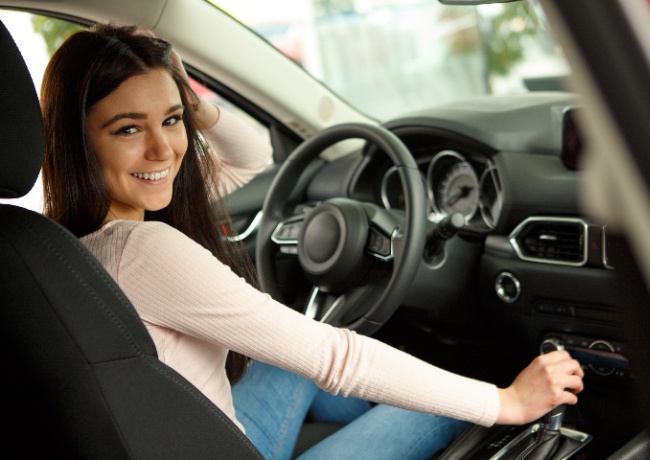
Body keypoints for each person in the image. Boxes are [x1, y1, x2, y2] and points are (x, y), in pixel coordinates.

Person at [40, 24, 584, 460]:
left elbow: (253, 159)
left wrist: (184, 98)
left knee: (282, 360)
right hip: (220, 443)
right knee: (450, 402)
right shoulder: (146, 249)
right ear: (79, 140)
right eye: (128, 129)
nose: (164, 149)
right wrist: (508, 401)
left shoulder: (58, 243)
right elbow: (337, 359)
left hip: (181, 431)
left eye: (173, 120)